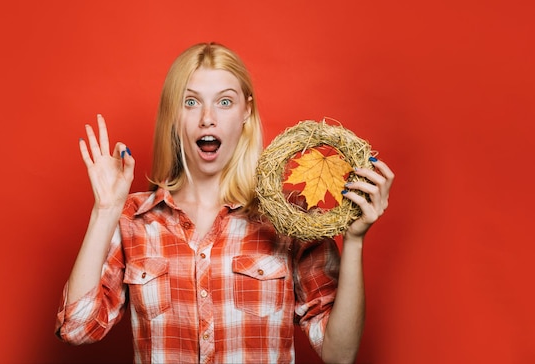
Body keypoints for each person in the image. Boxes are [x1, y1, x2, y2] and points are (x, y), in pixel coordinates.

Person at [55, 42, 394, 364]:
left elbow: (340, 353)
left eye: (224, 102)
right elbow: (77, 329)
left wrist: (355, 240)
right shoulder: (133, 218)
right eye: (190, 102)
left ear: (246, 110)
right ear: (173, 114)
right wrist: (104, 212)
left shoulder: (291, 218)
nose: (207, 118)